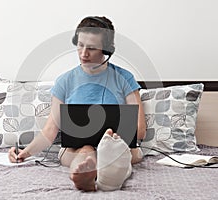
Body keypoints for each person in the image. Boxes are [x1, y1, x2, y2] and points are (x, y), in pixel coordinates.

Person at [8, 16, 146, 192]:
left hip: (118, 146)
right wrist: (23, 153)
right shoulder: (64, 81)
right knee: (85, 151)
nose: (83, 53)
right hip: (76, 149)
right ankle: (87, 176)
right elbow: (50, 131)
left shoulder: (125, 78)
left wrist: (111, 140)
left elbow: (139, 129)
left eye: (92, 48)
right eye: (80, 45)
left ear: (106, 49)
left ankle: (104, 173)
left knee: (112, 150)